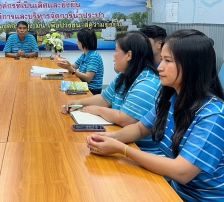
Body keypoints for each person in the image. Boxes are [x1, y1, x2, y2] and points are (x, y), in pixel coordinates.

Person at [86, 30, 224, 201]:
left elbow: (181, 172)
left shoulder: (213, 115)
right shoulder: (170, 98)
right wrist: (110, 137)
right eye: (161, 60)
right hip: (173, 190)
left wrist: (123, 149)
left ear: (191, 65)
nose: (159, 67)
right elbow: (139, 128)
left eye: (168, 61)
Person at [62, 31, 162, 155]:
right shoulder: (124, 75)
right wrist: (78, 103)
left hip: (141, 150)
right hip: (123, 141)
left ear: (129, 55)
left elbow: (125, 119)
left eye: (116, 52)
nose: (114, 56)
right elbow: (105, 99)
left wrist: (96, 109)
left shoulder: (147, 83)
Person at [56, 28, 104, 94]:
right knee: (60, 86)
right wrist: (63, 62)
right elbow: (75, 66)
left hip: (91, 89)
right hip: (84, 85)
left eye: (78, 40)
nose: (77, 42)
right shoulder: (85, 54)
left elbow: (88, 78)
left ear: (84, 42)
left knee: (61, 90)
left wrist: (70, 68)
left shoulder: (94, 56)